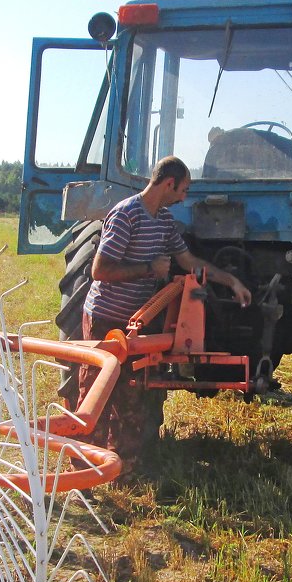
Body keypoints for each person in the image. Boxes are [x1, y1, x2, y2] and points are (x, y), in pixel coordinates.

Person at [79, 155, 251, 470]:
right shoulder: (125, 215)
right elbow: (100, 270)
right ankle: (83, 476)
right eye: (183, 190)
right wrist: (148, 268)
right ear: (168, 183)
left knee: (132, 398)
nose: (185, 197)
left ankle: (122, 469)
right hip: (106, 319)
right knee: (97, 396)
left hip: (136, 323)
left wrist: (231, 281)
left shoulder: (164, 221)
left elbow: (189, 263)